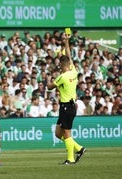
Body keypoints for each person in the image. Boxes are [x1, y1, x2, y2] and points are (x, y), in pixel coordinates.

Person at [47, 33, 86, 165]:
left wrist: (49, 79)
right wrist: (66, 42)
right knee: (59, 133)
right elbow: (69, 54)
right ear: (69, 64)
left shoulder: (62, 76)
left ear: (60, 65)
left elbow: (49, 87)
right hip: (70, 106)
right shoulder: (74, 71)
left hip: (66, 106)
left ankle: (70, 158)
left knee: (67, 133)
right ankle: (79, 148)